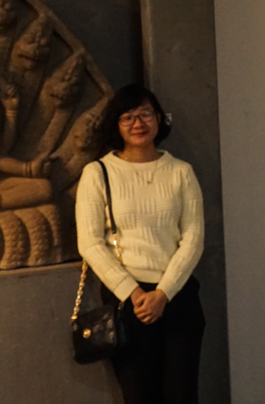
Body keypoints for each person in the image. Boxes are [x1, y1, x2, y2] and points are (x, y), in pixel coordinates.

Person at [76, 84, 206, 404]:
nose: (138, 123)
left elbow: (193, 238)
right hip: (128, 304)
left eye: (146, 113)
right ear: (116, 125)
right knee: (139, 396)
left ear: (159, 119)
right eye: (128, 117)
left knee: (182, 396)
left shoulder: (180, 172)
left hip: (178, 299)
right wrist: (135, 295)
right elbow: (90, 243)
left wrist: (163, 294)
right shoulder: (98, 173)